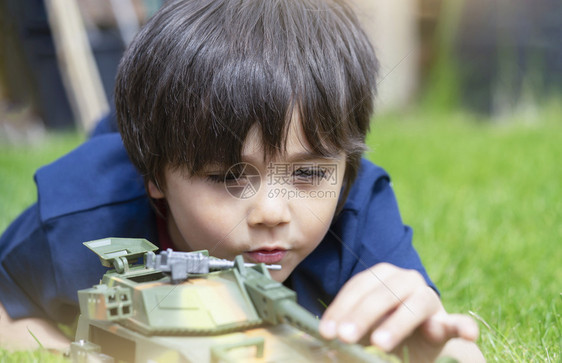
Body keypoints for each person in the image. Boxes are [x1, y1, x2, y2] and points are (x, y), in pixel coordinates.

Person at [0, 0, 484, 360]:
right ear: (156, 178)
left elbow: (430, 332)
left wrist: (428, 339)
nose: (272, 212)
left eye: (309, 171)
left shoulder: (354, 213)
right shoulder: (78, 220)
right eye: (230, 176)